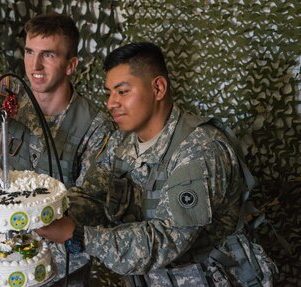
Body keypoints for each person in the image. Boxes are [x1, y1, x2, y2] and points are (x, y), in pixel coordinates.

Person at [36, 42, 255, 285]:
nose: (111, 103)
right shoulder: (122, 141)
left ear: (158, 88)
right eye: (109, 93)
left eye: (122, 91)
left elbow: (165, 242)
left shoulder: (201, 149)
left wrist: (78, 235)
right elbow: (93, 197)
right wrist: (46, 212)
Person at [0, 13, 115, 285]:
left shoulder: (95, 125)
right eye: (29, 52)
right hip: (2, 256)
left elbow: (93, 203)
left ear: (71, 65)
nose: (35, 65)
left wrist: (32, 211)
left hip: (60, 266)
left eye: (48, 55)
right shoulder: (10, 93)